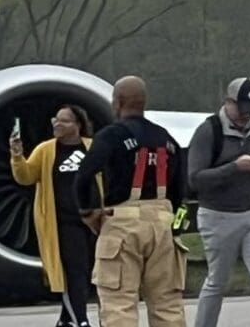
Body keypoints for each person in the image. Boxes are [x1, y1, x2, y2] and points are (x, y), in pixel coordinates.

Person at [74, 76, 186, 327]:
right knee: (167, 305)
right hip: (163, 222)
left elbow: (83, 177)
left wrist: (87, 213)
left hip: (123, 222)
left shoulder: (111, 136)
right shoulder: (166, 138)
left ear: (118, 102)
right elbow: (181, 190)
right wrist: (176, 225)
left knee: (119, 305)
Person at [188, 78, 250, 327]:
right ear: (228, 102)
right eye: (241, 110)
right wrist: (234, 167)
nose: (245, 117)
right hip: (218, 217)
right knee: (217, 282)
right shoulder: (208, 131)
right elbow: (196, 179)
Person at [10, 105, 102, 327]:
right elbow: (26, 177)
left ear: (78, 125)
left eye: (64, 121)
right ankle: (80, 319)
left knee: (87, 270)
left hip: (95, 221)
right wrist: (17, 156)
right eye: (56, 120)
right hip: (63, 223)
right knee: (74, 272)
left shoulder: (93, 147)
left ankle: (65, 320)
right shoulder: (46, 150)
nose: (57, 124)